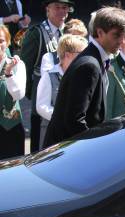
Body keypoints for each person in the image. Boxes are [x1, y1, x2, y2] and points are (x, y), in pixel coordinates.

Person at [43, 7, 125, 149]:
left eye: (124, 36)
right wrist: (93, 149)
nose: (122, 42)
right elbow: (74, 120)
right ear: (100, 32)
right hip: (66, 152)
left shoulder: (95, 59)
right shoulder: (89, 66)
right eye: (116, 35)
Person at [20, 0, 72, 153]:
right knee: (40, 146)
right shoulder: (36, 33)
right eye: (57, 7)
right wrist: (33, 94)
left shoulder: (70, 31)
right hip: (43, 99)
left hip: (66, 96)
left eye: (65, 8)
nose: (62, 11)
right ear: (47, 10)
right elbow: (26, 67)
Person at [36, 33, 87, 149]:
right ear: (68, 55)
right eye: (81, 54)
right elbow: (41, 106)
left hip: (75, 132)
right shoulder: (49, 76)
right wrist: (63, 117)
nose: (85, 57)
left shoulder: (82, 75)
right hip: (53, 132)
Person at [0, 24, 26, 159]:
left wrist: (9, 73)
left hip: (11, 128)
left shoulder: (18, 65)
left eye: (1, 41)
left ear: (8, 42)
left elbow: (19, 95)